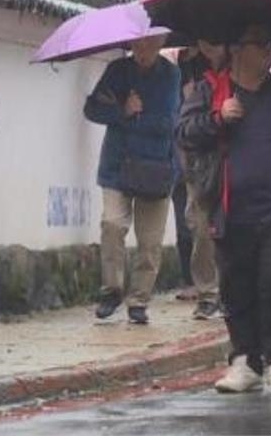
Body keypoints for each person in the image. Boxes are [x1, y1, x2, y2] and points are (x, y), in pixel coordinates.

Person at [178, 24, 271, 392]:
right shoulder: (210, 91)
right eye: (260, 44)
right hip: (229, 209)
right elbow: (184, 134)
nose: (268, 51)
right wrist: (218, 119)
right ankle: (245, 359)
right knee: (237, 287)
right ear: (237, 50)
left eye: (270, 43)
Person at [85, 34, 179, 325]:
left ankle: (139, 299)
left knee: (149, 241)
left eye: (150, 45)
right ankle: (111, 290)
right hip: (116, 165)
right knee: (112, 225)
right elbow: (92, 109)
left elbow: (167, 122)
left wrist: (137, 115)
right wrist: (122, 111)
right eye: (137, 44)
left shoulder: (171, 74)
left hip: (156, 167)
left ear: (161, 43)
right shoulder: (117, 71)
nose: (142, 51)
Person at [177, 40, 228, 319]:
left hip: (239, 167)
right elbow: (183, 130)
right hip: (204, 168)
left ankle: (231, 291)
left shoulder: (248, 79)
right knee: (202, 230)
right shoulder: (198, 82)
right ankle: (208, 292)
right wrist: (215, 118)